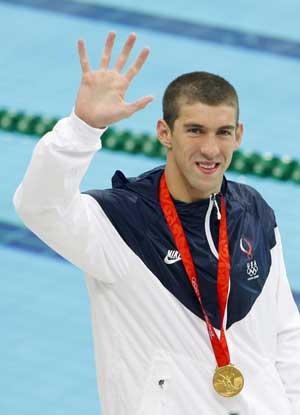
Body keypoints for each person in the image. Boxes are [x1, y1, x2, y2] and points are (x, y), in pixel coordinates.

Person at [13, 32, 300, 415]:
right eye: (195, 130)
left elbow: (286, 333)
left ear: (239, 136)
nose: (211, 150)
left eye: (223, 133)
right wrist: (82, 128)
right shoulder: (121, 222)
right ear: (164, 132)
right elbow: (39, 206)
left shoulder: (254, 210)